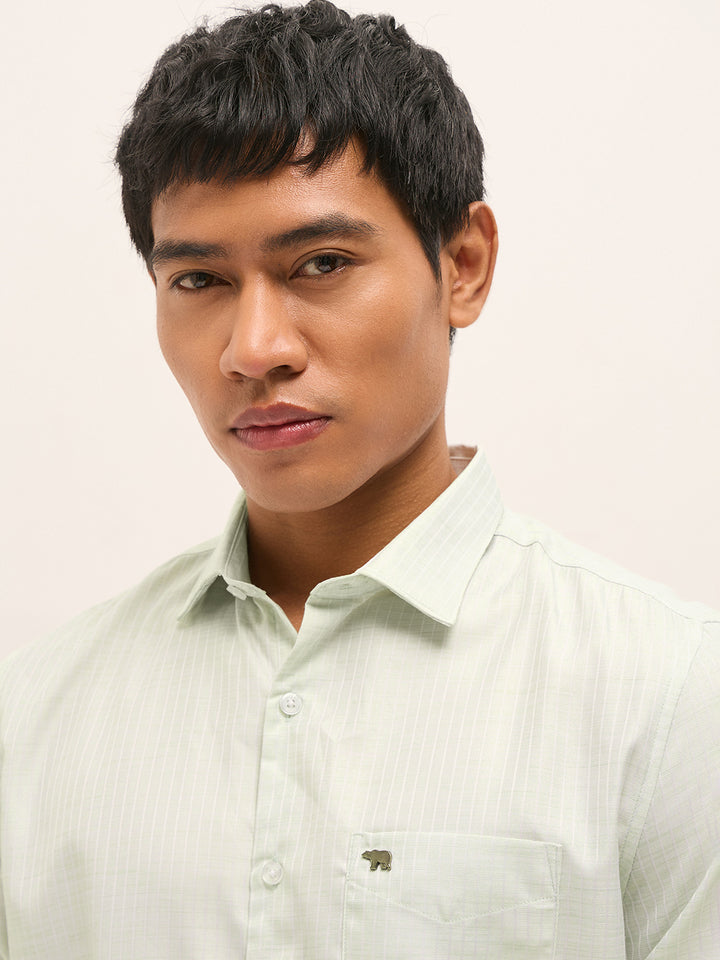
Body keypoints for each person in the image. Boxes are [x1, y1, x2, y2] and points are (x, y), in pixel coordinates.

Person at [0, 1, 717, 957]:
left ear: (463, 265)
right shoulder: (33, 716)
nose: (254, 350)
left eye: (322, 263)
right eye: (199, 281)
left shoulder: (670, 700)